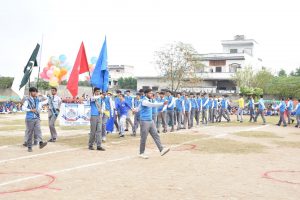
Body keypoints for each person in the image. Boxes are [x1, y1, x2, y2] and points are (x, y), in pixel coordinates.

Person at [136, 88, 170, 159]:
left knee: (156, 135)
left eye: (152, 93)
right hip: (144, 121)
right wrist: (162, 103)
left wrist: (136, 109)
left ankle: (161, 150)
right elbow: (152, 105)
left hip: (150, 121)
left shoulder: (149, 100)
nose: (151, 94)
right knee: (144, 138)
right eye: (150, 93)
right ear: (146, 94)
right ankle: (141, 153)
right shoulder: (144, 101)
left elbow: (139, 107)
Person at [22, 87, 48, 152]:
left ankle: (41, 143)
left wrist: (41, 95)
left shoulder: (37, 100)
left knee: (38, 130)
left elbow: (47, 100)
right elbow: (23, 108)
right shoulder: (27, 100)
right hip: (30, 118)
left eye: (36, 92)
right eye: (34, 91)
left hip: (37, 118)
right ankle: (29, 147)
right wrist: (30, 109)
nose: (35, 93)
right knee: (30, 133)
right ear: (30, 92)